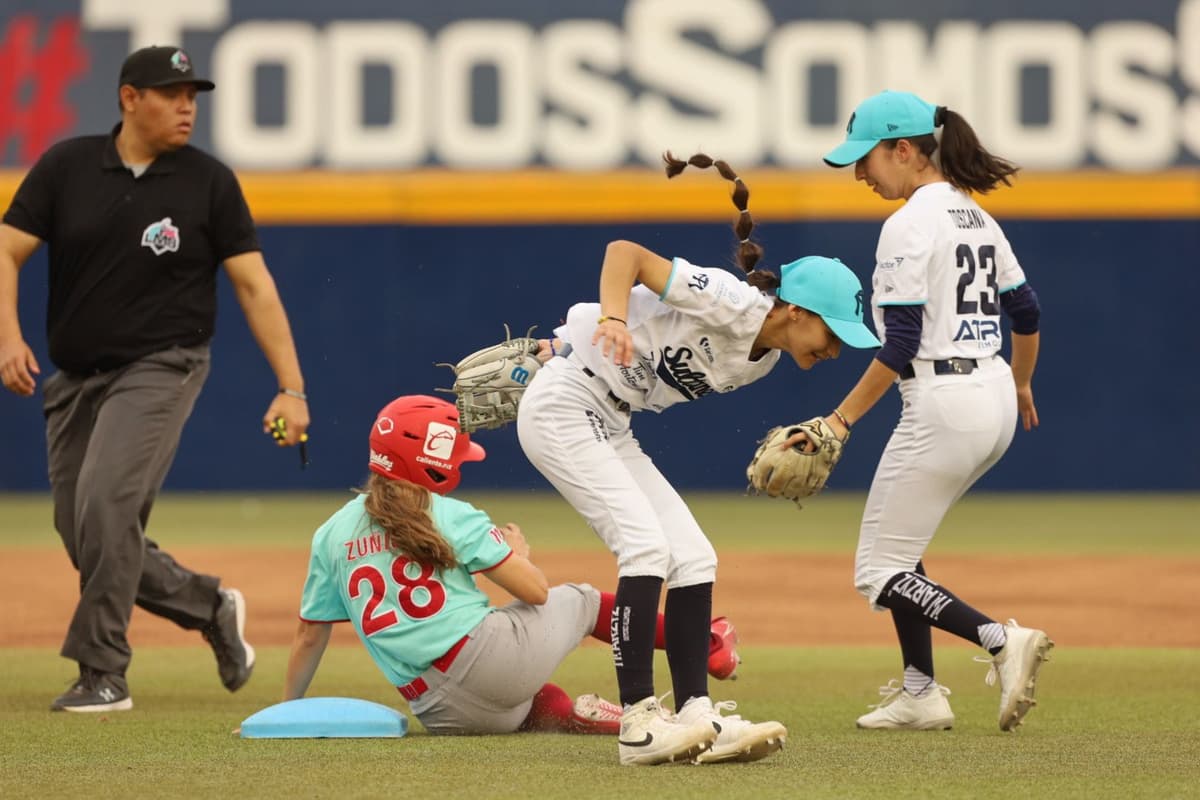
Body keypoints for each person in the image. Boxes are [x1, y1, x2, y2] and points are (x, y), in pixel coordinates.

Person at [515, 152, 882, 766]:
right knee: (645, 546)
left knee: (693, 556)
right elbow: (623, 253)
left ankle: (695, 714)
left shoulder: (761, 360)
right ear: (796, 311)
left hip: (610, 419)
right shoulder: (733, 302)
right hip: (567, 401)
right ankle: (637, 723)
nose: (836, 350)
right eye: (833, 334)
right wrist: (608, 319)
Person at [0, 46, 309, 712]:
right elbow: (6, 247)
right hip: (75, 378)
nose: (186, 106)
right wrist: (7, 335)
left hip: (163, 366)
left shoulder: (207, 181)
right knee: (83, 532)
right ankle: (208, 605)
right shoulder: (67, 167)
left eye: (193, 95)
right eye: (171, 94)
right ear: (129, 98)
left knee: (107, 504)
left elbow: (254, 287)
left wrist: (292, 387)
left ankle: (102, 672)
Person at [283, 394, 740, 749]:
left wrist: (288, 710)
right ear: (431, 460)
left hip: (440, 711)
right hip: (489, 667)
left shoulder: (330, 533)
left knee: (532, 698)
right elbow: (536, 592)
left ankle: (581, 715)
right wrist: (518, 553)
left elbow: (309, 634)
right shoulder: (447, 514)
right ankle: (708, 646)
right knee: (579, 600)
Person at [813, 89, 1053, 731]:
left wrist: (838, 421)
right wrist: (1022, 384)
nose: (861, 173)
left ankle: (1001, 640)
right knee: (903, 542)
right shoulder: (974, 216)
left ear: (905, 150)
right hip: (995, 394)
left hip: (944, 401)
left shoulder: (910, 221)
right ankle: (920, 691)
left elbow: (901, 343)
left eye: (867, 158)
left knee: (876, 569)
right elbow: (1025, 312)